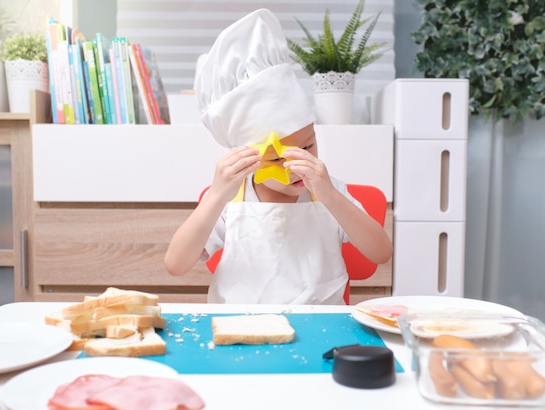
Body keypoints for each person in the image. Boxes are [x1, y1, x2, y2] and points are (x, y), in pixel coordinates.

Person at [164, 9, 392, 304]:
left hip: (319, 325)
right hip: (240, 327)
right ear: (246, 158)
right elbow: (175, 264)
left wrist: (332, 197)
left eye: (307, 147)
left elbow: (381, 253)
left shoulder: (329, 191)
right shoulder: (232, 200)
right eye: (275, 160)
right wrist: (216, 196)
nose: (294, 167)